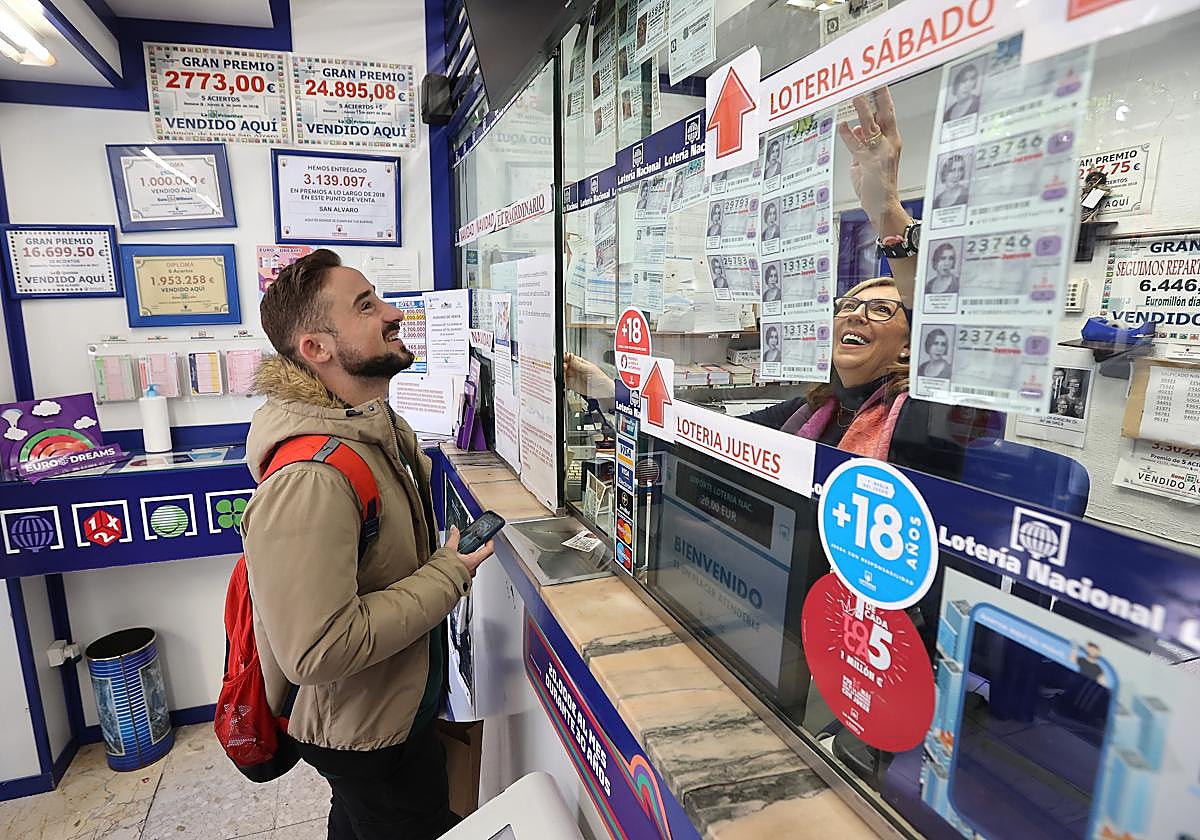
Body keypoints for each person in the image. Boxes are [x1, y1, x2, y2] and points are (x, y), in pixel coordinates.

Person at [243, 249, 494, 840]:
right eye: (366, 306)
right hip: (366, 733)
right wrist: (450, 572)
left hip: (388, 709)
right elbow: (317, 647)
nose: (392, 313)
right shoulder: (313, 477)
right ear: (316, 348)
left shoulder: (372, 428)